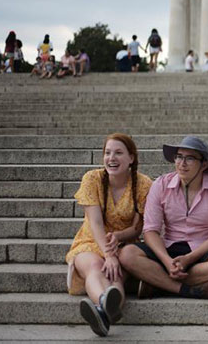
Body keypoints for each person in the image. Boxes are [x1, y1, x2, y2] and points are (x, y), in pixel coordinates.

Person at [118, 136, 208, 302]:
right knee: (127, 254)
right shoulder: (161, 184)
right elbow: (151, 230)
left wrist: (190, 258)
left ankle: (157, 283)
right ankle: (186, 289)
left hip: (203, 248)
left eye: (190, 158)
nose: (182, 163)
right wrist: (167, 262)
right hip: (169, 246)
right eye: (179, 157)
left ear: (204, 164)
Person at [65, 133, 153, 337]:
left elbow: (138, 227)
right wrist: (109, 254)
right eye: (107, 153)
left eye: (118, 153)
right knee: (97, 266)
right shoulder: (92, 179)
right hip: (90, 240)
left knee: (115, 277)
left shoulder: (142, 184)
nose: (111, 158)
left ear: (131, 158)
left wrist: (119, 238)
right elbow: (95, 223)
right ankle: (105, 303)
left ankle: (101, 313)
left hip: (123, 245)